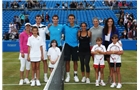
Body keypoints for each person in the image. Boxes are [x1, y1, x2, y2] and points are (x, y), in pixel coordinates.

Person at [32, 15, 49, 82]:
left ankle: (45, 76)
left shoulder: (45, 27)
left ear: (41, 19)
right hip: (35, 48)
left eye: (39, 19)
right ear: (35, 19)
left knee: (45, 61)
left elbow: (49, 34)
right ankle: (35, 76)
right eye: (37, 18)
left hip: (43, 47)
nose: (38, 20)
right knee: (35, 62)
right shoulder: (32, 27)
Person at [102, 17, 119, 84]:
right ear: (107, 22)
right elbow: (103, 39)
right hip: (105, 46)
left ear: (113, 22)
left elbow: (117, 38)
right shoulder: (104, 29)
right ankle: (102, 78)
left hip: (111, 47)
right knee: (103, 63)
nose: (110, 22)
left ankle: (111, 77)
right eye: (108, 21)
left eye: (111, 21)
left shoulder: (115, 29)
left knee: (111, 64)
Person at [64, 14, 80, 83]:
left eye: (72, 18)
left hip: (75, 45)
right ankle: (68, 76)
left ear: (74, 19)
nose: (71, 20)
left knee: (75, 61)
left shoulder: (77, 27)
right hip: (67, 45)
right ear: (68, 19)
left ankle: (75, 75)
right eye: (70, 18)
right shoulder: (65, 26)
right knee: (67, 61)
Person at [89, 17, 104, 82]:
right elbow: (89, 38)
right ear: (93, 22)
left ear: (98, 22)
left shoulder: (102, 28)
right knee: (96, 63)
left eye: (96, 21)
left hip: (101, 48)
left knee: (101, 64)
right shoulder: (91, 29)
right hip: (93, 47)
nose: (95, 22)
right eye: (94, 21)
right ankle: (97, 76)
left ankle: (101, 77)